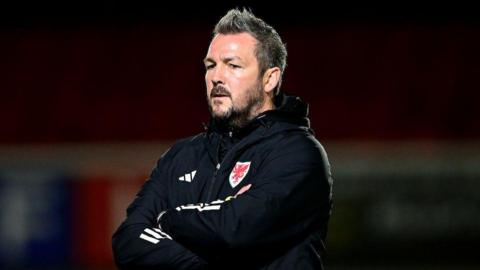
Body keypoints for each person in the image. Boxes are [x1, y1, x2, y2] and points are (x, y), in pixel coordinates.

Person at [112, 8, 333, 270]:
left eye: (233, 65)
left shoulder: (297, 153)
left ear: (270, 79)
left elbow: (235, 231)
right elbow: (128, 241)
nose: (216, 76)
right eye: (211, 65)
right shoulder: (180, 157)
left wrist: (166, 219)